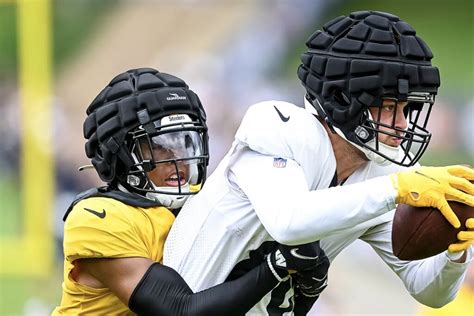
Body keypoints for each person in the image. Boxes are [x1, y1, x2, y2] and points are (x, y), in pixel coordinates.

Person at [163, 11, 474, 315]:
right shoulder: (278, 127)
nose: (403, 124)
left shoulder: (377, 175)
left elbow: (428, 291)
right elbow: (289, 221)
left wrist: (455, 252)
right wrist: (398, 187)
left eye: (407, 109)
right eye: (390, 106)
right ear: (342, 98)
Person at [52, 68, 330, 315]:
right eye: (160, 145)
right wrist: (277, 266)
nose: (180, 159)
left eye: (185, 142)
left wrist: (302, 283)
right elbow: (180, 309)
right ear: (121, 153)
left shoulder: (198, 206)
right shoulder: (99, 218)